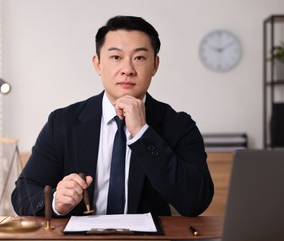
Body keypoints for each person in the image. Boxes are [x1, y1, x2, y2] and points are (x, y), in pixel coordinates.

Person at [11, 15, 214, 217]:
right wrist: (56, 201)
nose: (127, 70)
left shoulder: (179, 125)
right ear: (98, 64)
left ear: (155, 65)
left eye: (139, 58)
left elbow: (196, 202)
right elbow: (23, 193)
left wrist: (143, 133)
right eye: (116, 57)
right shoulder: (62, 122)